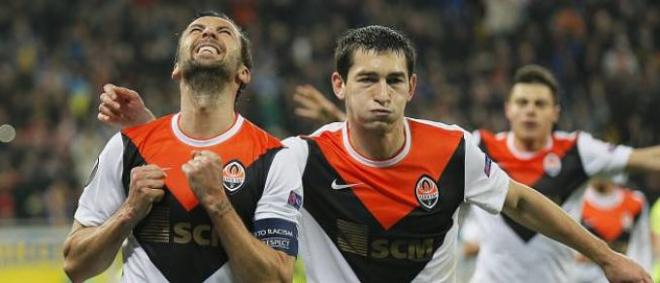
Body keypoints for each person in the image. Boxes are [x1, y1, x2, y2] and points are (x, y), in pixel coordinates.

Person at [96, 25, 652, 282]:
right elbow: (225, 170)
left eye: (393, 80)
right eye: (367, 79)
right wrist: (150, 128)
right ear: (340, 85)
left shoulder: (453, 149)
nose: (381, 93)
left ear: (413, 86)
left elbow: (523, 203)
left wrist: (608, 257)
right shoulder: (302, 157)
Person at [290, 63, 660, 282]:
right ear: (508, 109)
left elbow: (646, 159)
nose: (530, 111)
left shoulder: (578, 151)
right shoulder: (477, 146)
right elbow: (396, 150)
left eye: (539, 104)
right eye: (522, 102)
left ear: (555, 112)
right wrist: (337, 120)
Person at [62, 11, 302, 283]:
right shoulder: (128, 145)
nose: (208, 33)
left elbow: (278, 279)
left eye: (224, 32)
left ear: (243, 73)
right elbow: (75, 265)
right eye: (196, 29)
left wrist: (218, 203)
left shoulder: (273, 158)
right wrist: (128, 212)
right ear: (176, 67)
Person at [569, 175, 651, 283]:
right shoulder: (575, 199)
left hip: (620, 274)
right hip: (579, 275)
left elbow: (642, 244)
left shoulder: (635, 202)